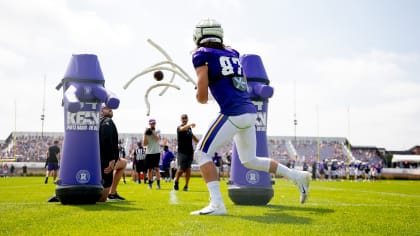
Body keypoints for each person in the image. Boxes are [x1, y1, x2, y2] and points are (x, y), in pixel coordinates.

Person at [189, 18, 311, 215]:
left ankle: (217, 204)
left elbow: (201, 98)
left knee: (202, 153)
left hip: (233, 112)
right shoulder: (233, 53)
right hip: (249, 110)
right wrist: (214, 90)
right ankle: (296, 176)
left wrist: (201, 90)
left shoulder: (201, 54)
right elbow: (240, 84)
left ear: (199, 35)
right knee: (251, 160)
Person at [98, 105, 126, 201]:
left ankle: (113, 192)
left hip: (99, 159)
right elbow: (106, 139)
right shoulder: (107, 121)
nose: (110, 109)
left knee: (123, 163)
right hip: (105, 161)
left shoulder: (96, 122)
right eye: (106, 108)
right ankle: (111, 193)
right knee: (102, 199)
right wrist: (111, 159)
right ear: (100, 112)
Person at [174, 114, 199, 191]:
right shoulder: (179, 128)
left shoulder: (189, 129)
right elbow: (182, 129)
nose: (184, 119)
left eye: (185, 118)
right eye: (183, 118)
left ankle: (186, 186)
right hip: (182, 152)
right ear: (181, 120)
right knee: (181, 169)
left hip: (190, 152)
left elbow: (193, 137)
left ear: (187, 119)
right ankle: (176, 181)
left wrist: (200, 142)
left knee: (188, 169)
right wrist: (190, 125)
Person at [143, 118, 162, 190]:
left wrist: (152, 131)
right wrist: (145, 134)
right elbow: (145, 144)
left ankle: (158, 184)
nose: (152, 124)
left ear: (155, 123)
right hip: (149, 153)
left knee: (157, 169)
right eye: (151, 123)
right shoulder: (146, 132)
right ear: (149, 124)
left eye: (153, 123)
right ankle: (150, 184)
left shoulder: (158, 131)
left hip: (156, 152)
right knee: (149, 169)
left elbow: (157, 139)